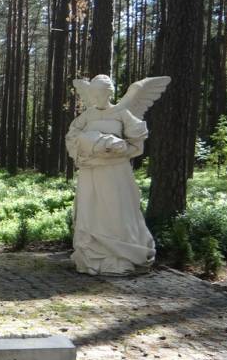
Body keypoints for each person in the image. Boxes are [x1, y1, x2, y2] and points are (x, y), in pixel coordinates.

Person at [66, 74, 169, 275]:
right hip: (91, 172)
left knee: (116, 212)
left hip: (115, 172)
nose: (96, 98)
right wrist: (89, 143)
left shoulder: (122, 113)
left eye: (100, 94)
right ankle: (92, 257)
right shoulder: (87, 115)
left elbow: (137, 143)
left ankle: (121, 258)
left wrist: (116, 147)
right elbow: (72, 137)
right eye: (93, 94)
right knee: (91, 211)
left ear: (109, 93)